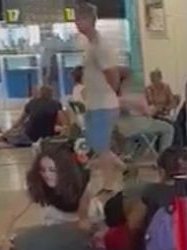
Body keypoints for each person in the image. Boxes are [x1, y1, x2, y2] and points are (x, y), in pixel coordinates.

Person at [0, 145, 100, 250]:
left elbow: (83, 221)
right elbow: (13, 212)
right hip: (57, 214)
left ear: (63, 170)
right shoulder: (39, 183)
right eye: (43, 170)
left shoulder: (81, 182)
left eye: (52, 170)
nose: (47, 175)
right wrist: (3, 239)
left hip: (86, 214)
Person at [73, 2, 126, 190]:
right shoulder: (90, 45)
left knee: (102, 146)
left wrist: (111, 92)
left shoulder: (100, 46)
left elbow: (112, 73)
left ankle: (109, 184)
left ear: (90, 20)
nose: (76, 22)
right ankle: (124, 168)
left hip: (104, 104)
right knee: (96, 142)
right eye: (75, 18)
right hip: (94, 103)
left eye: (80, 18)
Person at [114, 68, 176, 155]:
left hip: (122, 129)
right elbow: (149, 113)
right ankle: (163, 157)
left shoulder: (113, 98)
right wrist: (155, 109)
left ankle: (131, 155)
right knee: (169, 128)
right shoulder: (137, 96)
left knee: (148, 135)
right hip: (140, 126)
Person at [0, 85, 69, 147]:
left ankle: (1, 136)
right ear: (51, 94)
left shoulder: (32, 103)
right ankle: (3, 135)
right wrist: (65, 128)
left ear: (40, 93)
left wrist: (8, 131)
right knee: (24, 129)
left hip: (30, 135)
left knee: (18, 133)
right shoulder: (56, 104)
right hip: (48, 134)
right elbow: (63, 121)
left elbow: (19, 121)